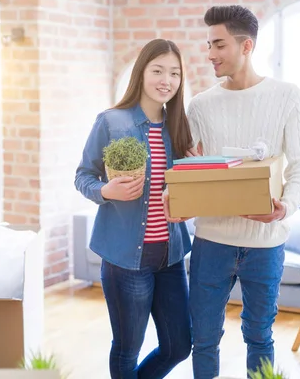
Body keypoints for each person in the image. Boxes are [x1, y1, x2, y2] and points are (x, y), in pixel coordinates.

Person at [165, 5, 300, 378]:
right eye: (208, 45)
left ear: (246, 47)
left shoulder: (287, 96)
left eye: (219, 45)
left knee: (259, 336)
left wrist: (284, 208)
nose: (210, 54)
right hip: (211, 241)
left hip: (266, 243)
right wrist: (175, 197)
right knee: (204, 338)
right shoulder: (200, 106)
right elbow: (187, 171)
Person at [75, 38, 193, 379]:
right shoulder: (112, 122)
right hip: (126, 260)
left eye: (174, 73)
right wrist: (106, 191)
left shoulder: (179, 126)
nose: (166, 80)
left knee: (179, 345)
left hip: (170, 257)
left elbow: (184, 185)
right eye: (158, 70)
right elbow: (83, 176)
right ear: (141, 72)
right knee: (128, 347)